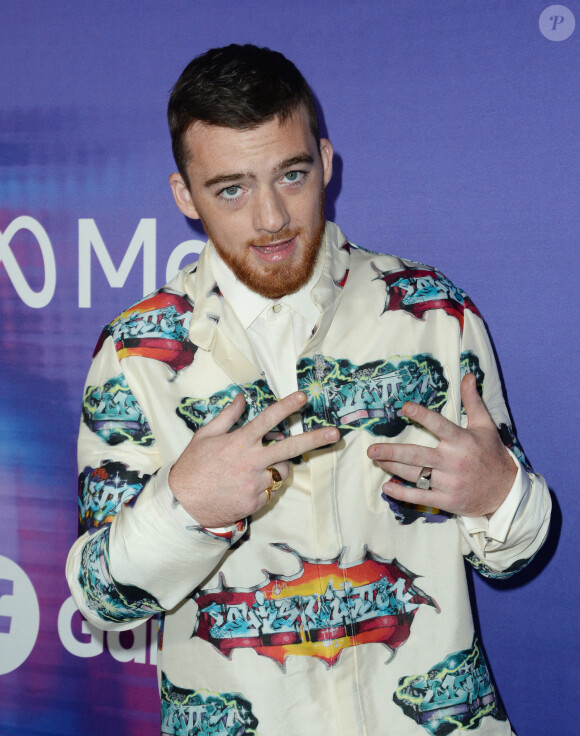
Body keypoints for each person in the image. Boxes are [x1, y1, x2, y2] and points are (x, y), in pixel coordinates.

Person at [66, 44, 551, 735]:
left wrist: (499, 493)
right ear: (185, 195)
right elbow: (102, 602)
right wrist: (184, 509)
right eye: (231, 189)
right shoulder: (136, 352)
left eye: (291, 176)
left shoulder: (432, 315)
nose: (270, 219)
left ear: (326, 162)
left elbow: (517, 552)